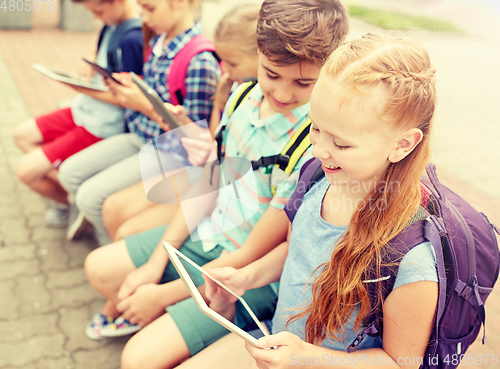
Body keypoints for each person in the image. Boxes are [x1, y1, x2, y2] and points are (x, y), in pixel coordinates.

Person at [83, 2, 349, 368]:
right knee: (99, 268)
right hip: (207, 236)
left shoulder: (314, 141)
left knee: (138, 359)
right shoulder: (240, 97)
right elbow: (209, 184)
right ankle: (176, 316)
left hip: (248, 273)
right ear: (257, 52)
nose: (284, 93)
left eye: (304, 83)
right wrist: (158, 261)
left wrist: (162, 294)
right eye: (272, 74)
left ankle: (181, 321)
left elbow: (257, 250)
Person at [179, 33, 439, 369]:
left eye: (342, 144)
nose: (318, 150)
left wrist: (306, 358)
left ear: (403, 144)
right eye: (316, 128)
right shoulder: (316, 175)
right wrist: (248, 278)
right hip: (277, 350)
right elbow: (299, 249)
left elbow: (400, 362)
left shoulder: (413, 256)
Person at [57, 0, 220, 245]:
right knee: (70, 174)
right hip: (141, 135)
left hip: (170, 152)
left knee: (91, 198)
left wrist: (140, 102)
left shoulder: (200, 61)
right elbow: (155, 94)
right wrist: (132, 88)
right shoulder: (157, 41)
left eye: (150, 9)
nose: (143, 17)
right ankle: (110, 244)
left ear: (179, 3)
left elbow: (195, 139)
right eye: (142, 9)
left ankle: (115, 250)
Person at [101, 2, 261, 242]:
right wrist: (183, 124)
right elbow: (211, 141)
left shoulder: (205, 64)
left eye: (232, 63)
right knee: (113, 209)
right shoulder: (229, 84)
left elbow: (216, 162)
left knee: (125, 228)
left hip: (210, 181)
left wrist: (145, 106)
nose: (223, 70)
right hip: (202, 170)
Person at [13, 0, 143, 228]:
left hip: (102, 123)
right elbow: (104, 62)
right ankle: (72, 191)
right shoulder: (111, 24)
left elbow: (129, 98)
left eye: (98, 11)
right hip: (84, 109)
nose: (95, 17)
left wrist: (80, 88)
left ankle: (70, 200)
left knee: (27, 170)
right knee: (22, 135)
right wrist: (89, 67)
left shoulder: (133, 38)